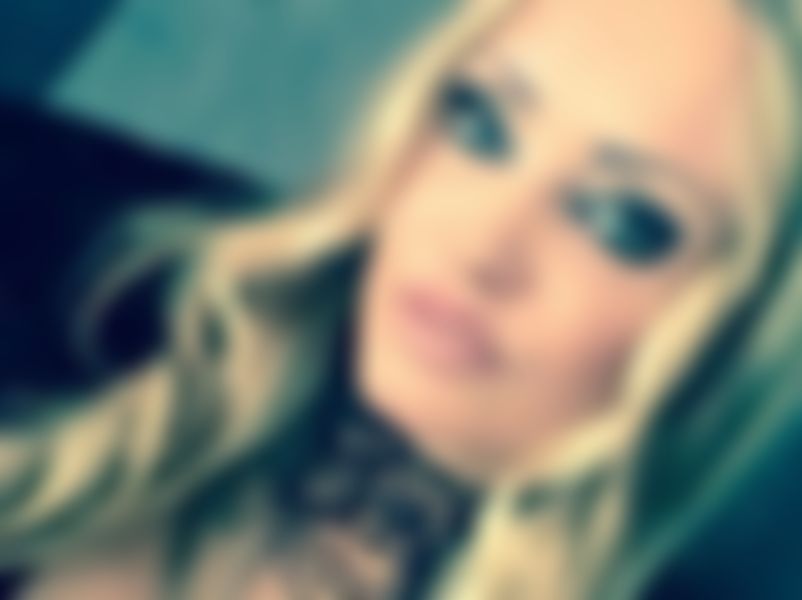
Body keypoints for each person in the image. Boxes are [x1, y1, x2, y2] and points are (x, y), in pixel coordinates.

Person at [1, 0, 801, 598]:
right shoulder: (93, 289)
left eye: (621, 222)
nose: (478, 245)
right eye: (481, 126)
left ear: (736, 344)